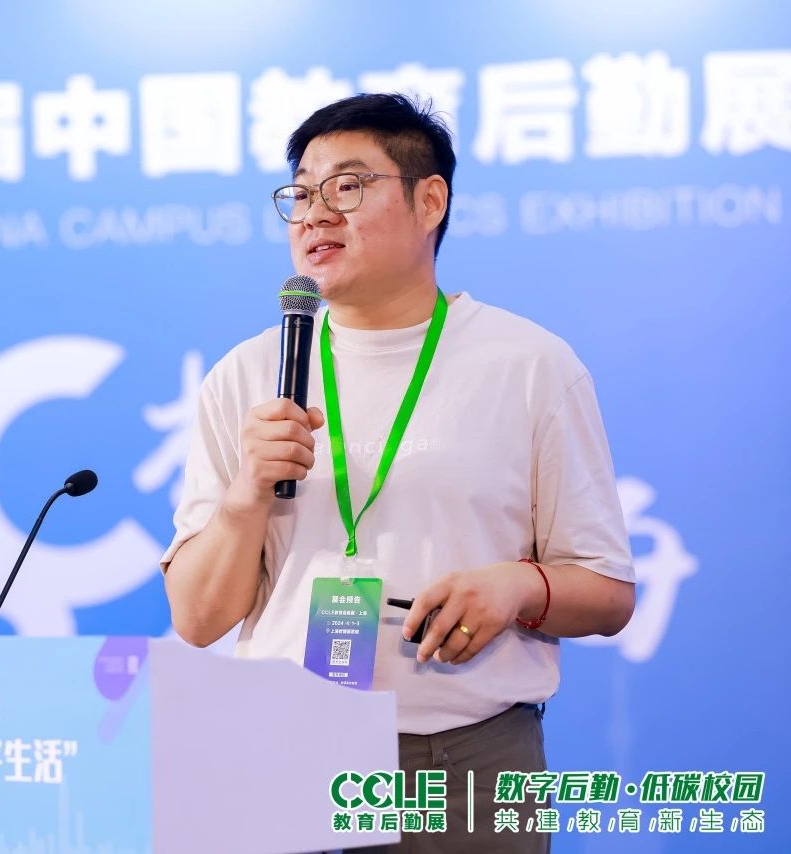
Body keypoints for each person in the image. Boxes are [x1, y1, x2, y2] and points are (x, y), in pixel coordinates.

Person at [160, 93, 636, 853]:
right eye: (300, 194)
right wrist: (246, 495)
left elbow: (608, 594)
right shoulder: (246, 376)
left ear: (430, 201)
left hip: (467, 763)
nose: (316, 214)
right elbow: (196, 619)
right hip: (282, 750)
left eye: (347, 186)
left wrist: (518, 588)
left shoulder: (529, 366)